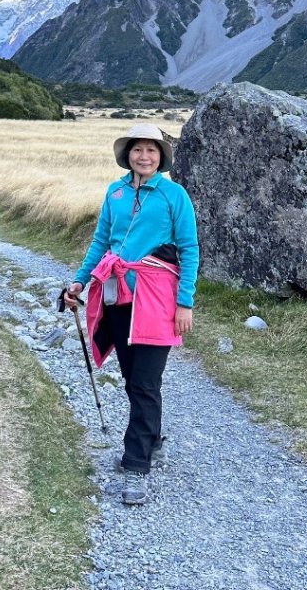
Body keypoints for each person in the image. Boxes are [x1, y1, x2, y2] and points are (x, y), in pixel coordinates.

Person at [64, 122, 199, 506]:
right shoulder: (116, 192)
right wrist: (80, 282)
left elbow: (189, 249)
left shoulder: (175, 196)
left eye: (152, 151)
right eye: (138, 150)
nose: (145, 156)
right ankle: (153, 439)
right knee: (131, 378)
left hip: (157, 299)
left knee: (144, 381)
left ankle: (137, 464)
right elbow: (101, 241)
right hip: (118, 296)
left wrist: (184, 302)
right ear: (128, 155)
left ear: (161, 157)